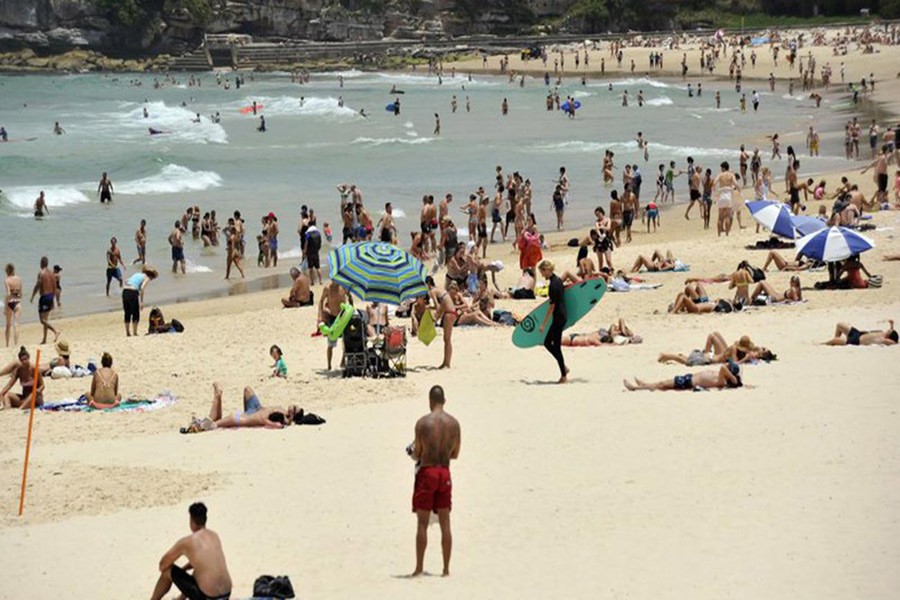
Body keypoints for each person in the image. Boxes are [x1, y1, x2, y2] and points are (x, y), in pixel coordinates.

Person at [409, 385, 461, 577]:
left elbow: (417, 453)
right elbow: (455, 454)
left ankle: (419, 568)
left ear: (430, 401)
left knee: (422, 523)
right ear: (444, 401)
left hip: (427, 472)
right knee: (445, 522)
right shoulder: (454, 424)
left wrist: (414, 454)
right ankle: (446, 569)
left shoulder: (422, 423)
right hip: (444, 473)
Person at [149, 502, 233, 600]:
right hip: (226, 594)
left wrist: (175, 574)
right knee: (200, 571)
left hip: (208, 598)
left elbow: (163, 564)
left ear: (191, 521)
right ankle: (181, 598)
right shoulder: (214, 536)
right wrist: (183, 570)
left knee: (168, 571)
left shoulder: (188, 541)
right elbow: (201, 562)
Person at [537, 260, 568, 384]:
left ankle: (564, 375)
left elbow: (552, 306)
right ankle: (563, 367)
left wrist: (543, 324)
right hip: (562, 315)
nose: (542, 275)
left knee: (554, 345)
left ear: (547, 270)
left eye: (542, 272)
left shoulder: (553, 285)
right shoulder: (559, 280)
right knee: (549, 343)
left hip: (558, 317)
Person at [623, 362, 743, 391]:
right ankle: (644, 385)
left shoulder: (721, 380)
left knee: (662, 385)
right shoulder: (722, 376)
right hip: (689, 378)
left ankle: (636, 388)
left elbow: (723, 367)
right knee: (663, 383)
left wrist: (733, 378)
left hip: (688, 383)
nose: (727, 364)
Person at [318, 281, 352, 371]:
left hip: (343, 317)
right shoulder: (327, 288)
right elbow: (321, 301)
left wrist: (352, 311)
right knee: (331, 343)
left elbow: (350, 297)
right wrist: (320, 316)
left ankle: (342, 361)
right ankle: (329, 364)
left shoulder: (344, 286)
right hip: (332, 317)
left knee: (346, 341)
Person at [426, 276, 455, 369]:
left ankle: (447, 363)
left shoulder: (432, 291)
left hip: (449, 314)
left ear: (428, 284)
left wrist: (430, 311)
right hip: (451, 312)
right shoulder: (439, 289)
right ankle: (446, 362)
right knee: (447, 339)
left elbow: (437, 306)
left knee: (447, 339)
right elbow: (442, 305)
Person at [30, 256, 60, 344]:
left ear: (41, 263)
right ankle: (44, 339)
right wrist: (53, 299)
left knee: (42, 320)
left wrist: (32, 296)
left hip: (44, 297)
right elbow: (55, 286)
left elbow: (37, 286)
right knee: (45, 319)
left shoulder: (41, 273)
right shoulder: (51, 273)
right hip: (51, 296)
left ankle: (55, 331)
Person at [122, 266, 158, 337]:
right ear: (151, 276)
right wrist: (141, 302)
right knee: (136, 313)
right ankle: (135, 332)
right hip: (132, 292)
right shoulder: (147, 278)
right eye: (153, 279)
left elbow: (126, 281)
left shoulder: (137, 274)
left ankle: (128, 332)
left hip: (125, 291)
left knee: (127, 313)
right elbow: (142, 288)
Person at [562, 319, 641, 346]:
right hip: (574, 338)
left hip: (574, 338)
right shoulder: (596, 339)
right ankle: (624, 332)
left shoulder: (595, 338)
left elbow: (603, 344)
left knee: (553, 342)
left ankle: (624, 332)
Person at [823, 320, 897, 346]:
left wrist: (895, 341)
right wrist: (892, 325)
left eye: (889, 331)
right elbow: (892, 331)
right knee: (839, 325)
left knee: (835, 340)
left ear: (889, 336)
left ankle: (825, 343)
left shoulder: (884, 340)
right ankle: (835, 340)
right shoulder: (883, 333)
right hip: (858, 333)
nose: (888, 330)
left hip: (857, 341)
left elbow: (893, 341)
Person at [4, 263, 22, 347]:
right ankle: (16, 344)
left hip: (10, 302)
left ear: (7, 271)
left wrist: (5, 305)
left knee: (8, 324)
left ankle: (7, 344)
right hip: (18, 302)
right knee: (16, 324)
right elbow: (21, 293)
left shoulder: (7, 280)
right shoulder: (19, 279)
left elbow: (8, 294)